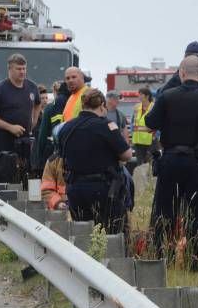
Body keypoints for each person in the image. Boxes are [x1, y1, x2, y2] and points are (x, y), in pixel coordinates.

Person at [145, 56, 198, 261]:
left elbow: (150, 125)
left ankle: (159, 258)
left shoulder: (166, 97)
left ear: (181, 73)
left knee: (164, 212)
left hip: (170, 161)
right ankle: (197, 261)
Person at [57, 89, 133, 234]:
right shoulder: (106, 126)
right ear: (102, 105)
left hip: (75, 188)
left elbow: (61, 156)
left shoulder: (67, 127)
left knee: (82, 235)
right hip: (103, 189)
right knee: (110, 234)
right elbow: (127, 155)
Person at [0, 54, 43, 169]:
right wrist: (10, 127)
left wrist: (33, 121)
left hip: (24, 141)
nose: (22, 72)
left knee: (25, 174)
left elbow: (38, 103)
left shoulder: (32, 87)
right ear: (10, 69)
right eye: (18, 69)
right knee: (4, 173)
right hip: (3, 141)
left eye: (24, 68)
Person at [34, 80, 67, 173]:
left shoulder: (50, 109)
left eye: (46, 98)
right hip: (50, 151)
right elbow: (37, 133)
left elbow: (42, 135)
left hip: (53, 150)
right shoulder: (37, 113)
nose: (44, 100)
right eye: (42, 98)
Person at [131, 87, 157, 168]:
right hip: (138, 141)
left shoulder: (154, 107)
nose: (139, 96)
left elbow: (159, 124)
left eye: (141, 94)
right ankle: (141, 181)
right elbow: (133, 123)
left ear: (147, 96)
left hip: (150, 141)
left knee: (150, 165)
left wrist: (156, 136)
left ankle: (151, 180)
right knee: (140, 166)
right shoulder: (136, 107)